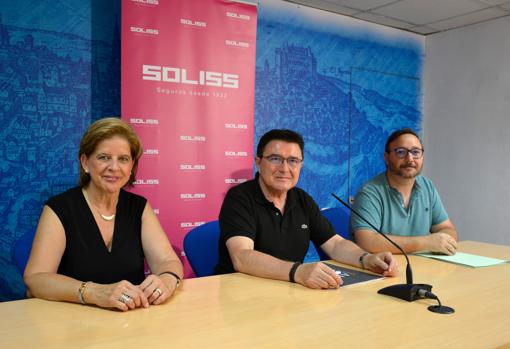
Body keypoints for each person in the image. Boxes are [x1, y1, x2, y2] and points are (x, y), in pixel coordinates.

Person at [24, 117, 183, 311]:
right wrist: (94, 293)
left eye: (123, 159)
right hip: (72, 324)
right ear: (85, 162)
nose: (114, 167)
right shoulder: (60, 208)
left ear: (131, 165)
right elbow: (36, 278)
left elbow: (168, 261)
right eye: (104, 157)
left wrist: (167, 279)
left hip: (131, 320)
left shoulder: (139, 207)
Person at [215, 129, 398, 289]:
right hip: (244, 294)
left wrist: (365, 259)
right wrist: (298, 272)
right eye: (275, 159)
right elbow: (241, 257)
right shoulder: (239, 198)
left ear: (301, 165)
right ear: (258, 161)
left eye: (293, 160)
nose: (284, 168)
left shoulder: (302, 199)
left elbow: (335, 244)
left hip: (288, 292)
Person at [351, 128, 458, 255]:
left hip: (423, 266)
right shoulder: (369, 192)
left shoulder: (427, 186)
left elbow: (446, 228)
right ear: (386, 157)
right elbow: (367, 241)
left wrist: (444, 240)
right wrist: (426, 242)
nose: (410, 159)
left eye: (415, 152)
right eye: (401, 152)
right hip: (384, 269)